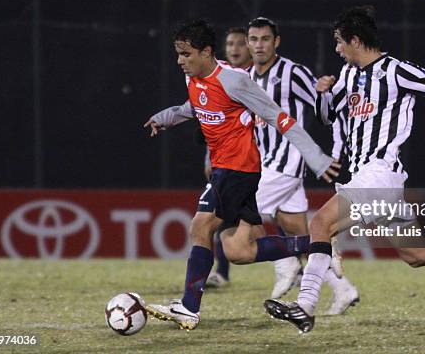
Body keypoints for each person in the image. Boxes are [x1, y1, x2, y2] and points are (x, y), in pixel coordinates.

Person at [264, 6, 425, 333]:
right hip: (370, 178)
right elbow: (329, 115)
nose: (337, 49)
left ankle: (305, 305)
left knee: (319, 223)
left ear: (355, 40)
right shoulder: (348, 75)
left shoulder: (395, 71)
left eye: (339, 42)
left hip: (379, 173)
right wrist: (321, 96)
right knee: (416, 254)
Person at [143, 19, 340, 331]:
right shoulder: (193, 77)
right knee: (239, 250)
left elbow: (278, 116)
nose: (180, 61)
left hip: (237, 168)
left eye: (186, 54)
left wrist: (315, 156)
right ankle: (316, 245)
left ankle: (188, 307)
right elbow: (194, 107)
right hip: (231, 168)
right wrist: (166, 117)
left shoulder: (234, 81)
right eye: (178, 54)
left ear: (206, 52)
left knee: (200, 226)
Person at [245, 17, 359, 314]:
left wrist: (323, 92)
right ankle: (343, 289)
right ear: (248, 43)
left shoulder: (292, 73)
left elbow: (326, 109)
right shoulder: (247, 77)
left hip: (286, 162)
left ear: (276, 42)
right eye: (254, 39)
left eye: (265, 39)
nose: (259, 45)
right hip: (265, 163)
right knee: (302, 236)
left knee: (238, 211)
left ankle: (285, 265)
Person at [204, 27, 253, 288]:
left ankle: (302, 263)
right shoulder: (220, 79)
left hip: (255, 162)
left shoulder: (253, 80)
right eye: (229, 43)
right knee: (219, 217)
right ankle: (221, 272)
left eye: (239, 43)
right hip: (230, 161)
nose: (234, 48)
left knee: (276, 217)